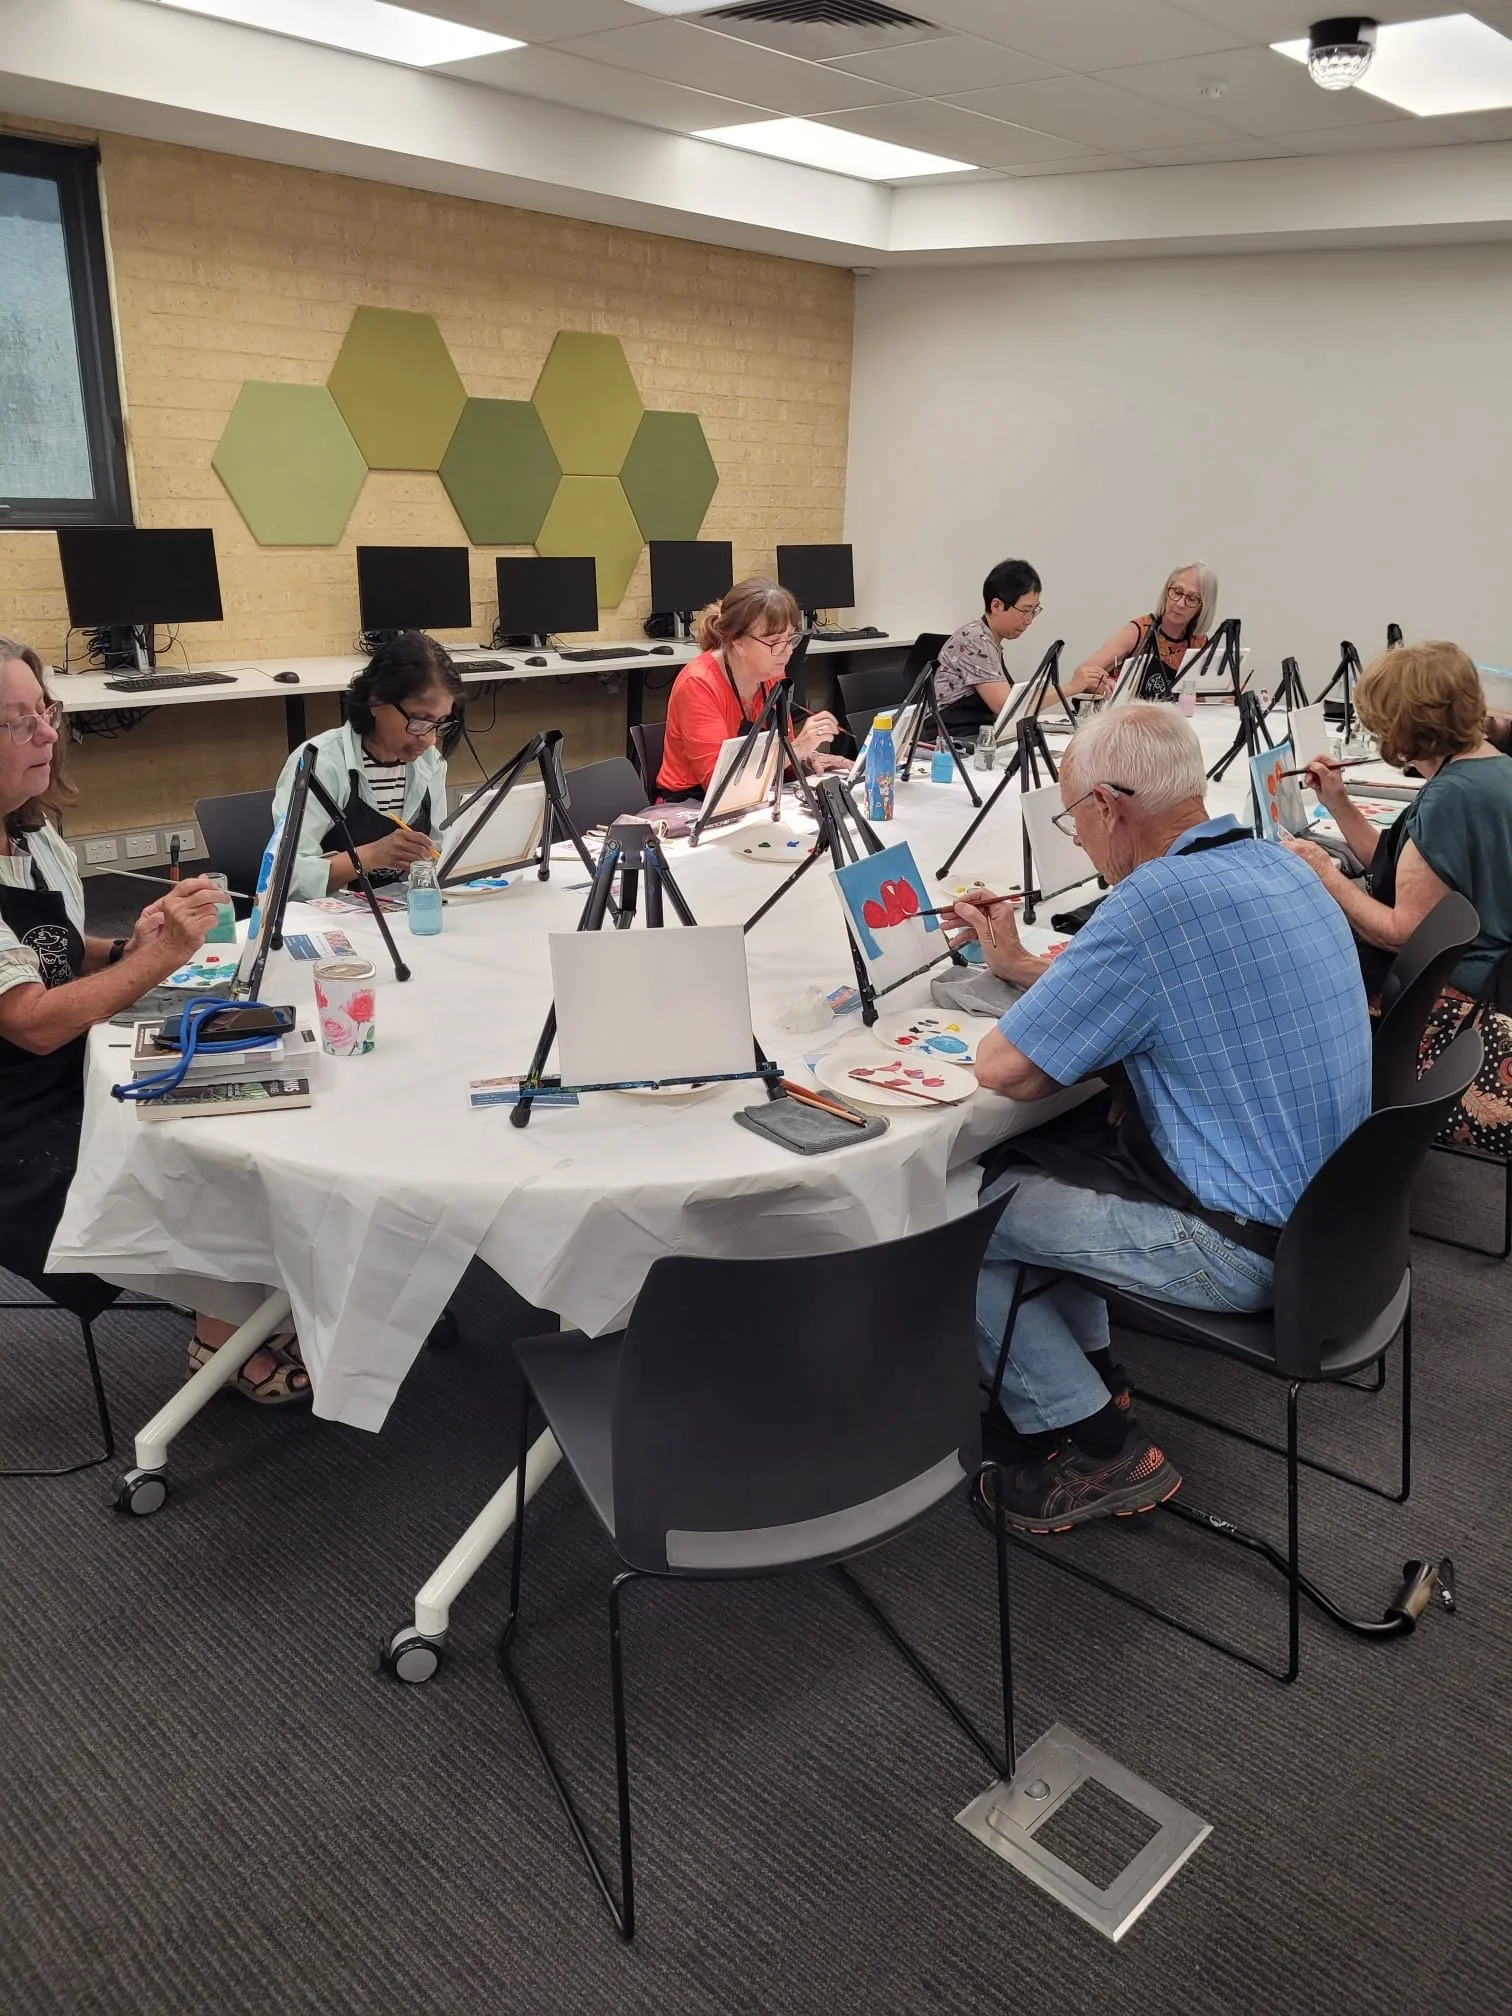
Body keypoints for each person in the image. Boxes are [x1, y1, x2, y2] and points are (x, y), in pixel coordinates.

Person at [945, 703, 1371, 1533]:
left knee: (959, 1208)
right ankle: (1094, 1375)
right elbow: (1185, 994)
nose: (1080, 841)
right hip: (1341, 1230)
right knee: (1055, 1159)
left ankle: (1097, 1444)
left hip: (1245, 1249)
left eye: (1075, 821)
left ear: (1108, 806)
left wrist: (1017, 984)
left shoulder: (1149, 906)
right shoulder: (1279, 862)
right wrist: (1030, 967)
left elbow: (1008, 1071)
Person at [0, 640, 308, 1402]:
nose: (46, 735)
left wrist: (127, 946)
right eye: (16, 723)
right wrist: (161, 957)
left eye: (46, 712)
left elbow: (55, 950)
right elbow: (31, 1020)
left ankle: (247, 1300)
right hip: (15, 1119)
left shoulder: (33, 836)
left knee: (248, 1095)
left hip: (70, 1062)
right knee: (185, 1158)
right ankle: (223, 1328)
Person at [1286, 641, 1512, 1153]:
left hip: (1444, 1004)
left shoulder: (1449, 798)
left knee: (1289, 976)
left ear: (1407, 727)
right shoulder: (1492, 769)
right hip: (1490, 979)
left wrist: (1324, 871)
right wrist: (1340, 807)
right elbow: (1408, 872)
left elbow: (1404, 932)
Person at [271, 632, 462, 901]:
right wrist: (373, 855)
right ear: (376, 702)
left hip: (398, 912)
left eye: (440, 723)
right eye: (420, 720)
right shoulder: (320, 763)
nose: (430, 739)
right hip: (329, 920)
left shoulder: (429, 762)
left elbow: (437, 858)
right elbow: (283, 878)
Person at [655, 578, 847, 798]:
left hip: (755, 797)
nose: (787, 651)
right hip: (691, 806)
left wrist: (809, 758)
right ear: (738, 643)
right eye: (775, 641)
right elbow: (720, 784)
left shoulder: (772, 675)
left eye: (791, 638)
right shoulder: (698, 683)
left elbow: (780, 754)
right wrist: (797, 749)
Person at [1071, 563, 1218, 704]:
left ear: (1203, 606)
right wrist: (1106, 685)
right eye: (1177, 592)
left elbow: (1197, 700)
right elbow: (1082, 673)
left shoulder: (1199, 643)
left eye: (1192, 599)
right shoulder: (1139, 631)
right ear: (1167, 592)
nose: (1180, 603)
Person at [933, 559, 1042, 730]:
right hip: (948, 739)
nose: (1029, 620)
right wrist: (1070, 688)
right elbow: (1006, 708)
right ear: (997, 605)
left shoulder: (989, 639)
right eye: (1025, 611)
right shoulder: (976, 640)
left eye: (1034, 611)